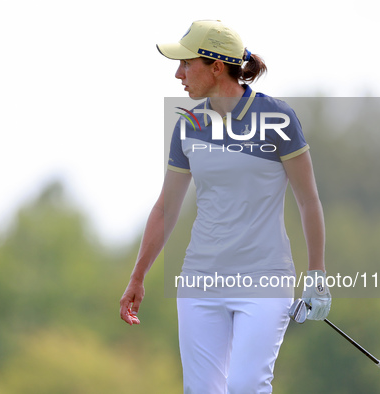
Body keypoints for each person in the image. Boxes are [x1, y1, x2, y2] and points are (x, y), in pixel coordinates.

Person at [119, 20, 331, 393]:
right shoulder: (189, 126)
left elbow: (308, 200)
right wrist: (138, 277)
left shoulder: (278, 120)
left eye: (187, 63)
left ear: (217, 67)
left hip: (265, 278)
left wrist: (317, 274)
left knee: (247, 385)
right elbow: (166, 208)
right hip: (201, 279)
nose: (177, 74)